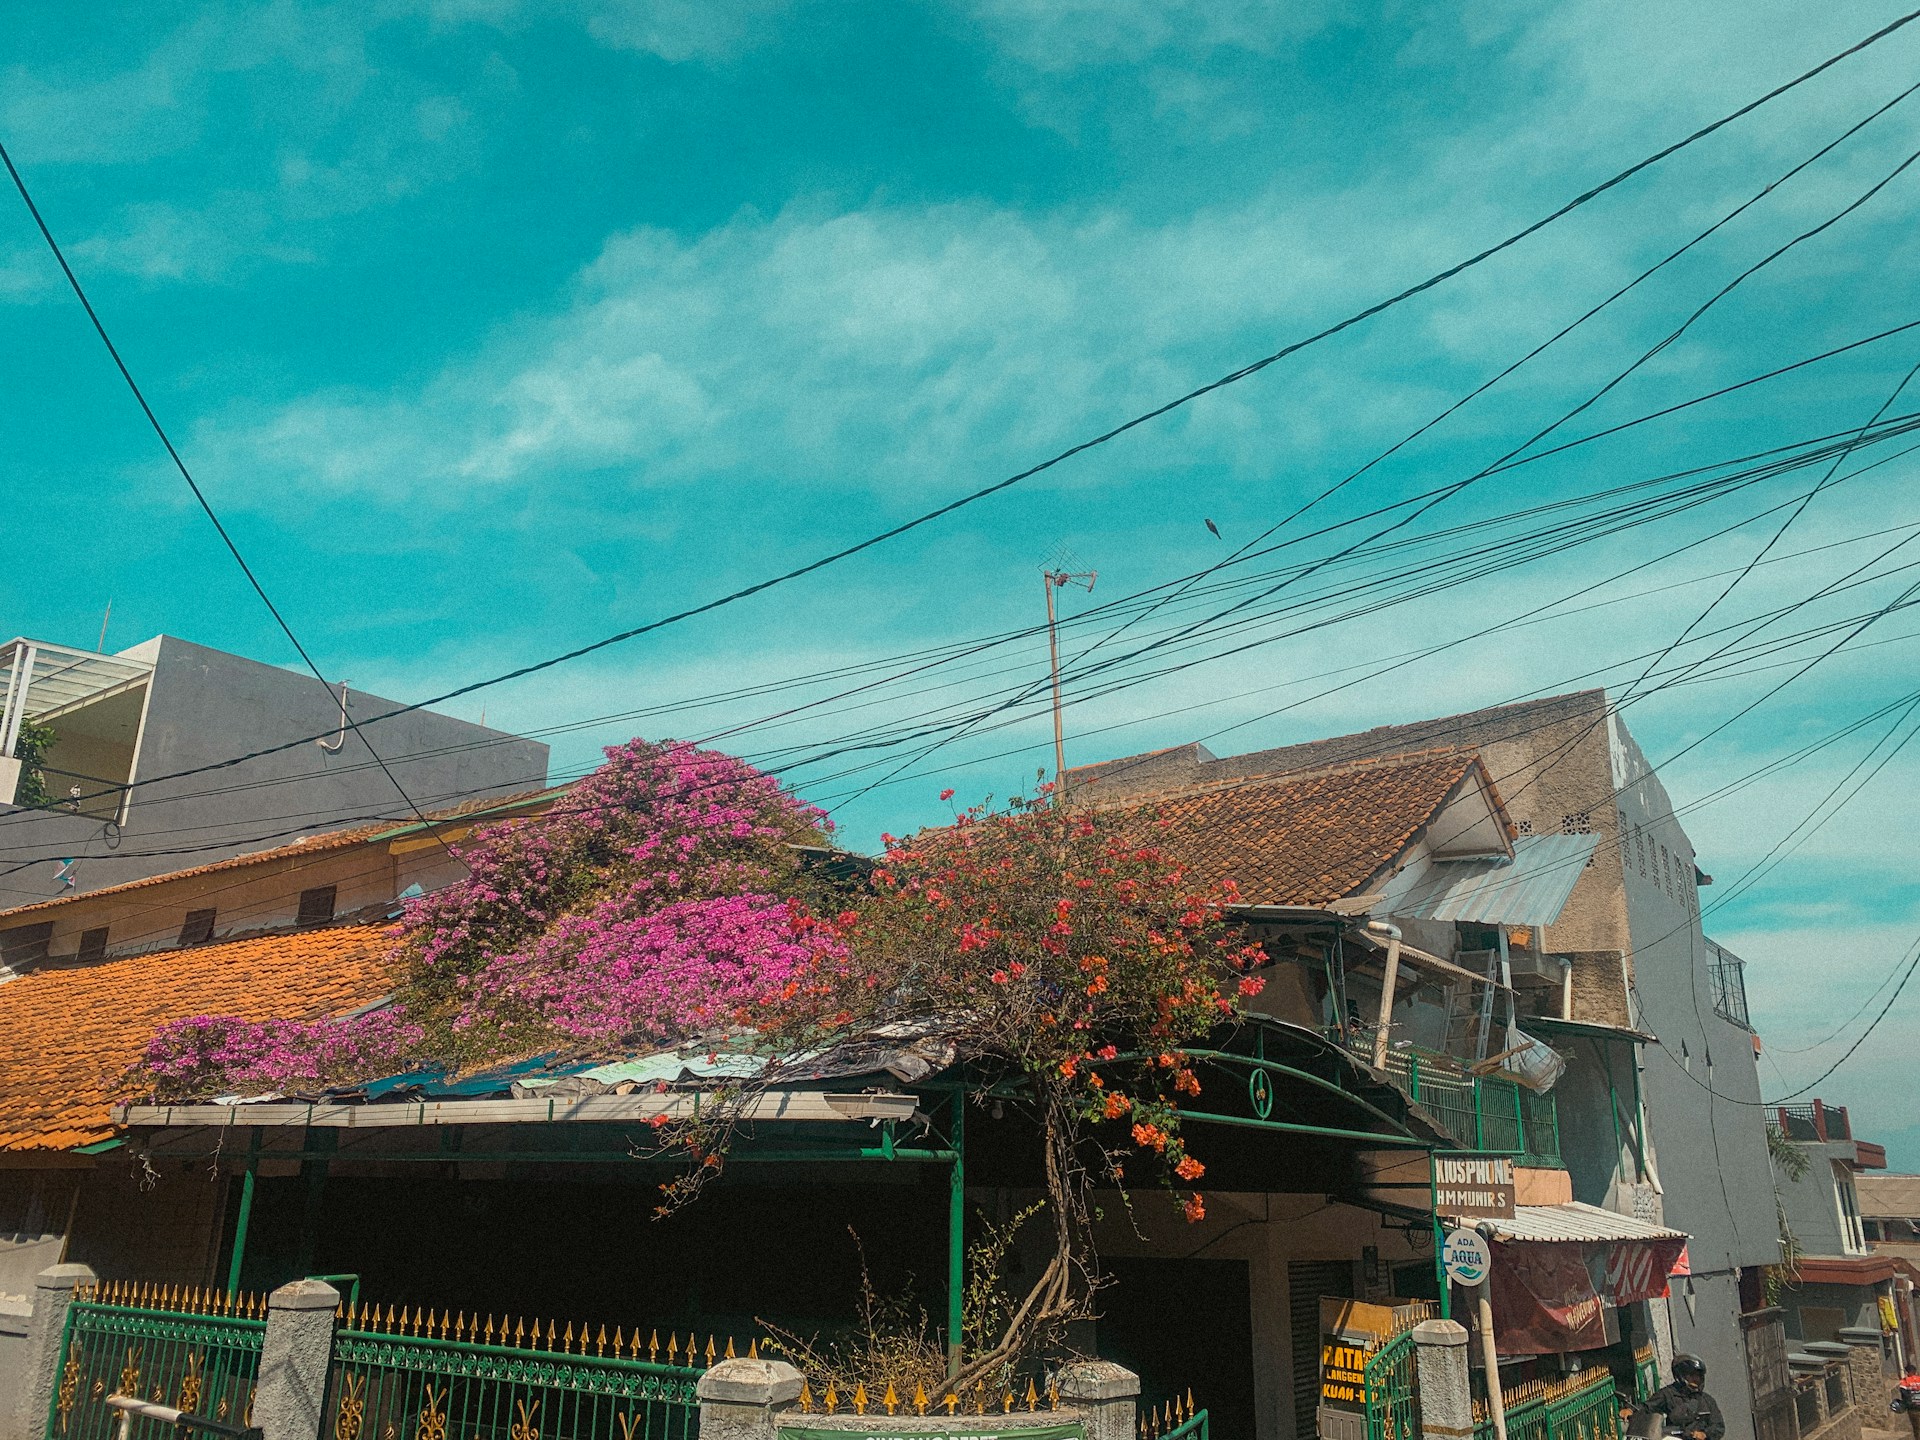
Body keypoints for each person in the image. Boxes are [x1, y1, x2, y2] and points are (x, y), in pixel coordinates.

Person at [1621, 1354, 1725, 1440]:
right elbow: (1648, 1406)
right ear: (1681, 1375)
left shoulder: (1707, 1400)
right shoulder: (1668, 1394)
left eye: (1699, 1377)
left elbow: (1719, 1427)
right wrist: (1631, 1410)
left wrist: (1705, 1434)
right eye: (1692, 1376)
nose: (1696, 1380)